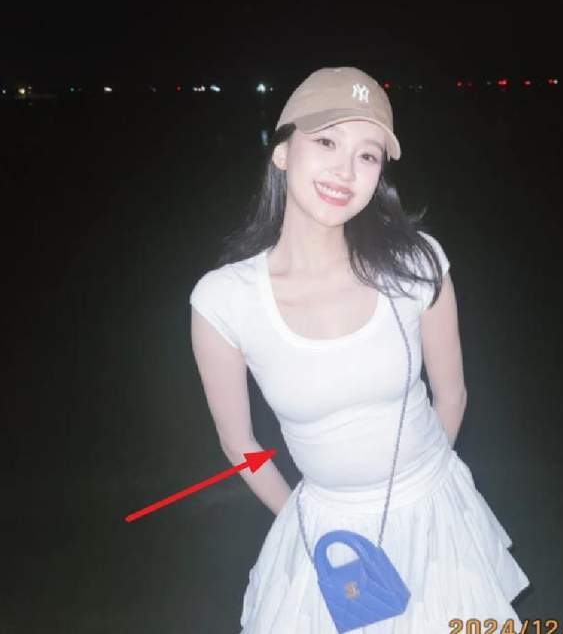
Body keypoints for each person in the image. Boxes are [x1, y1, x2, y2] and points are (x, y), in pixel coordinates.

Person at [189, 67, 530, 633]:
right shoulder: (224, 300)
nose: (346, 171)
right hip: (327, 529)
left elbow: (452, 396)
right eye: (327, 142)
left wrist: (422, 491)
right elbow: (239, 444)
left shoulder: (417, 265)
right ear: (282, 152)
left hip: (436, 516)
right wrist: (301, 520)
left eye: (367, 155)